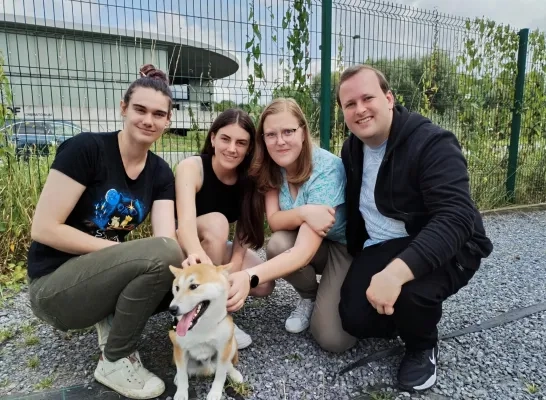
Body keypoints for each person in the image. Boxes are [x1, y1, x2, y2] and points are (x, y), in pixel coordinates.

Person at [26, 64, 183, 400]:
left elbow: (167, 239)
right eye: (140, 109)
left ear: (168, 121)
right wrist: (120, 255)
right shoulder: (86, 150)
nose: (148, 120)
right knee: (164, 255)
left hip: (99, 276)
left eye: (158, 114)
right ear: (123, 108)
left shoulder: (159, 172)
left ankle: (117, 325)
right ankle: (114, 360)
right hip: (55, 287)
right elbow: (43, 227)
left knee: (176, 269)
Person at [335, 64, 494, 392]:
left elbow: (456, 217)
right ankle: (404, 311)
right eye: (350, 104)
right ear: (343, 112)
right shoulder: (352, 148)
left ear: (389, 98)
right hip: (384, 244)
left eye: (368, 98)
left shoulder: (432, 143)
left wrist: (395, 276)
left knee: (410, 293)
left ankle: (422, 344)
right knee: (353, 318)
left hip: (445, 242)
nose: (360, 109)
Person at [219, 97, 357, 354]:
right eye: (271, 134)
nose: (280, 141)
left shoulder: (326, 169)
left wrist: (248, 276)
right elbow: (274, 220)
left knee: (332, 339)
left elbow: (303, 251)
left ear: (303, 131)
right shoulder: (273, 168)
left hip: (344, 248)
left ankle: (347, 293)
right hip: (314, 245)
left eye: (288, 132)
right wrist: (305, 211)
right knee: (279, 243)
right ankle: (311, 296)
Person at [174, 108, 274, 349]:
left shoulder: (249, 178)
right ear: (213, 138)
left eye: (241, 143)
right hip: (185, 248)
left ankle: (211, 304)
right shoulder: (192, 167)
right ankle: (213, 318)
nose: (232, 149)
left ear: (250, 148)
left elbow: (243, 232)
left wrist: (235, 273)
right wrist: (211, 273)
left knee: (263, 284)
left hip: (214, 247)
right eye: (225, 139)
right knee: (218, 222)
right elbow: (184, 227)